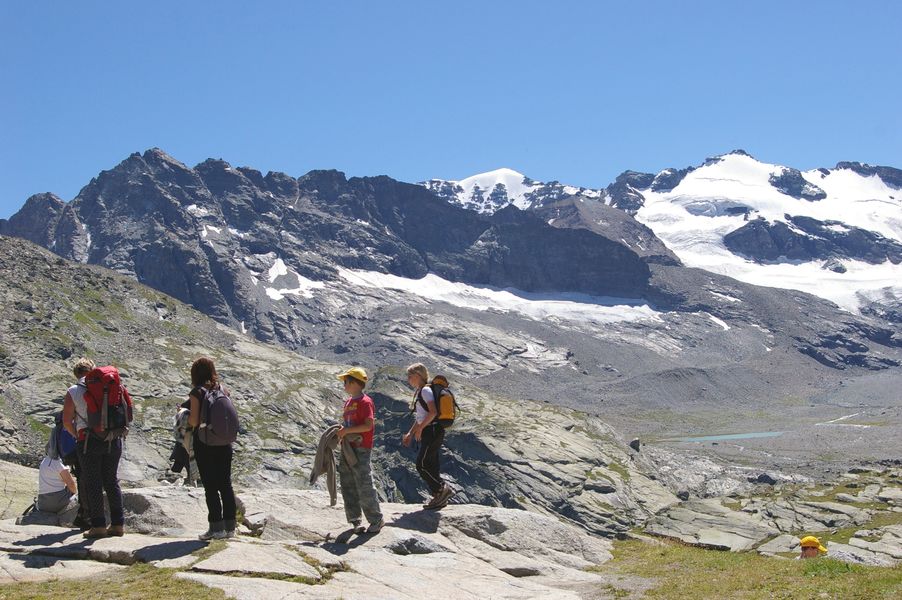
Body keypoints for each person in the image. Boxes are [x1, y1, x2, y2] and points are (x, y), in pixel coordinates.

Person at [62, 357, 125, 539]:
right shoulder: (111, 385)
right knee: (111, 481)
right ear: (94, 370)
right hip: (113, 439)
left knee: (93, 482)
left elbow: (66, 421)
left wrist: (77, 435)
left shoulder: (74, 391)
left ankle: (98, 526)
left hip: (88, 441)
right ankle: (118, 524)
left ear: (76, 374)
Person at [188, 357, 237, 540]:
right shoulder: (223, 390)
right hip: (224, 442)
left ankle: (216, 528)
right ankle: (230, 527)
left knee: (210, 486)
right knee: (225, 483)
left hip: (204, 443)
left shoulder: (197, 393)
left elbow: (193, 421)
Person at [335, 367, 384, 533]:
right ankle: (355, 520)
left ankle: (376, 519)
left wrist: (347, 431)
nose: (344, 385)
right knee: (347, 482)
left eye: (346, 382)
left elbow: (368, 426)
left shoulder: (365, 402)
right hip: (348, 448)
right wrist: (343, 430)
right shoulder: (349, 402)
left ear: (355, 383)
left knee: (363, 482)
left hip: (361, 448)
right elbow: (350, 424)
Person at [403, 363, 453, 510]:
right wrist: (410, 433)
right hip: (431, 430)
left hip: (432, 430)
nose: (408, 379)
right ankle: (439, 497)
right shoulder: (422, 391)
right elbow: (420, 417)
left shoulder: (425, 390)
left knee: (422, 465)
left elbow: (433, 412)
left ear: (418, 376)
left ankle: (442, 489)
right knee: (431, 464)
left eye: (410, 376)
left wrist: (420, 429)